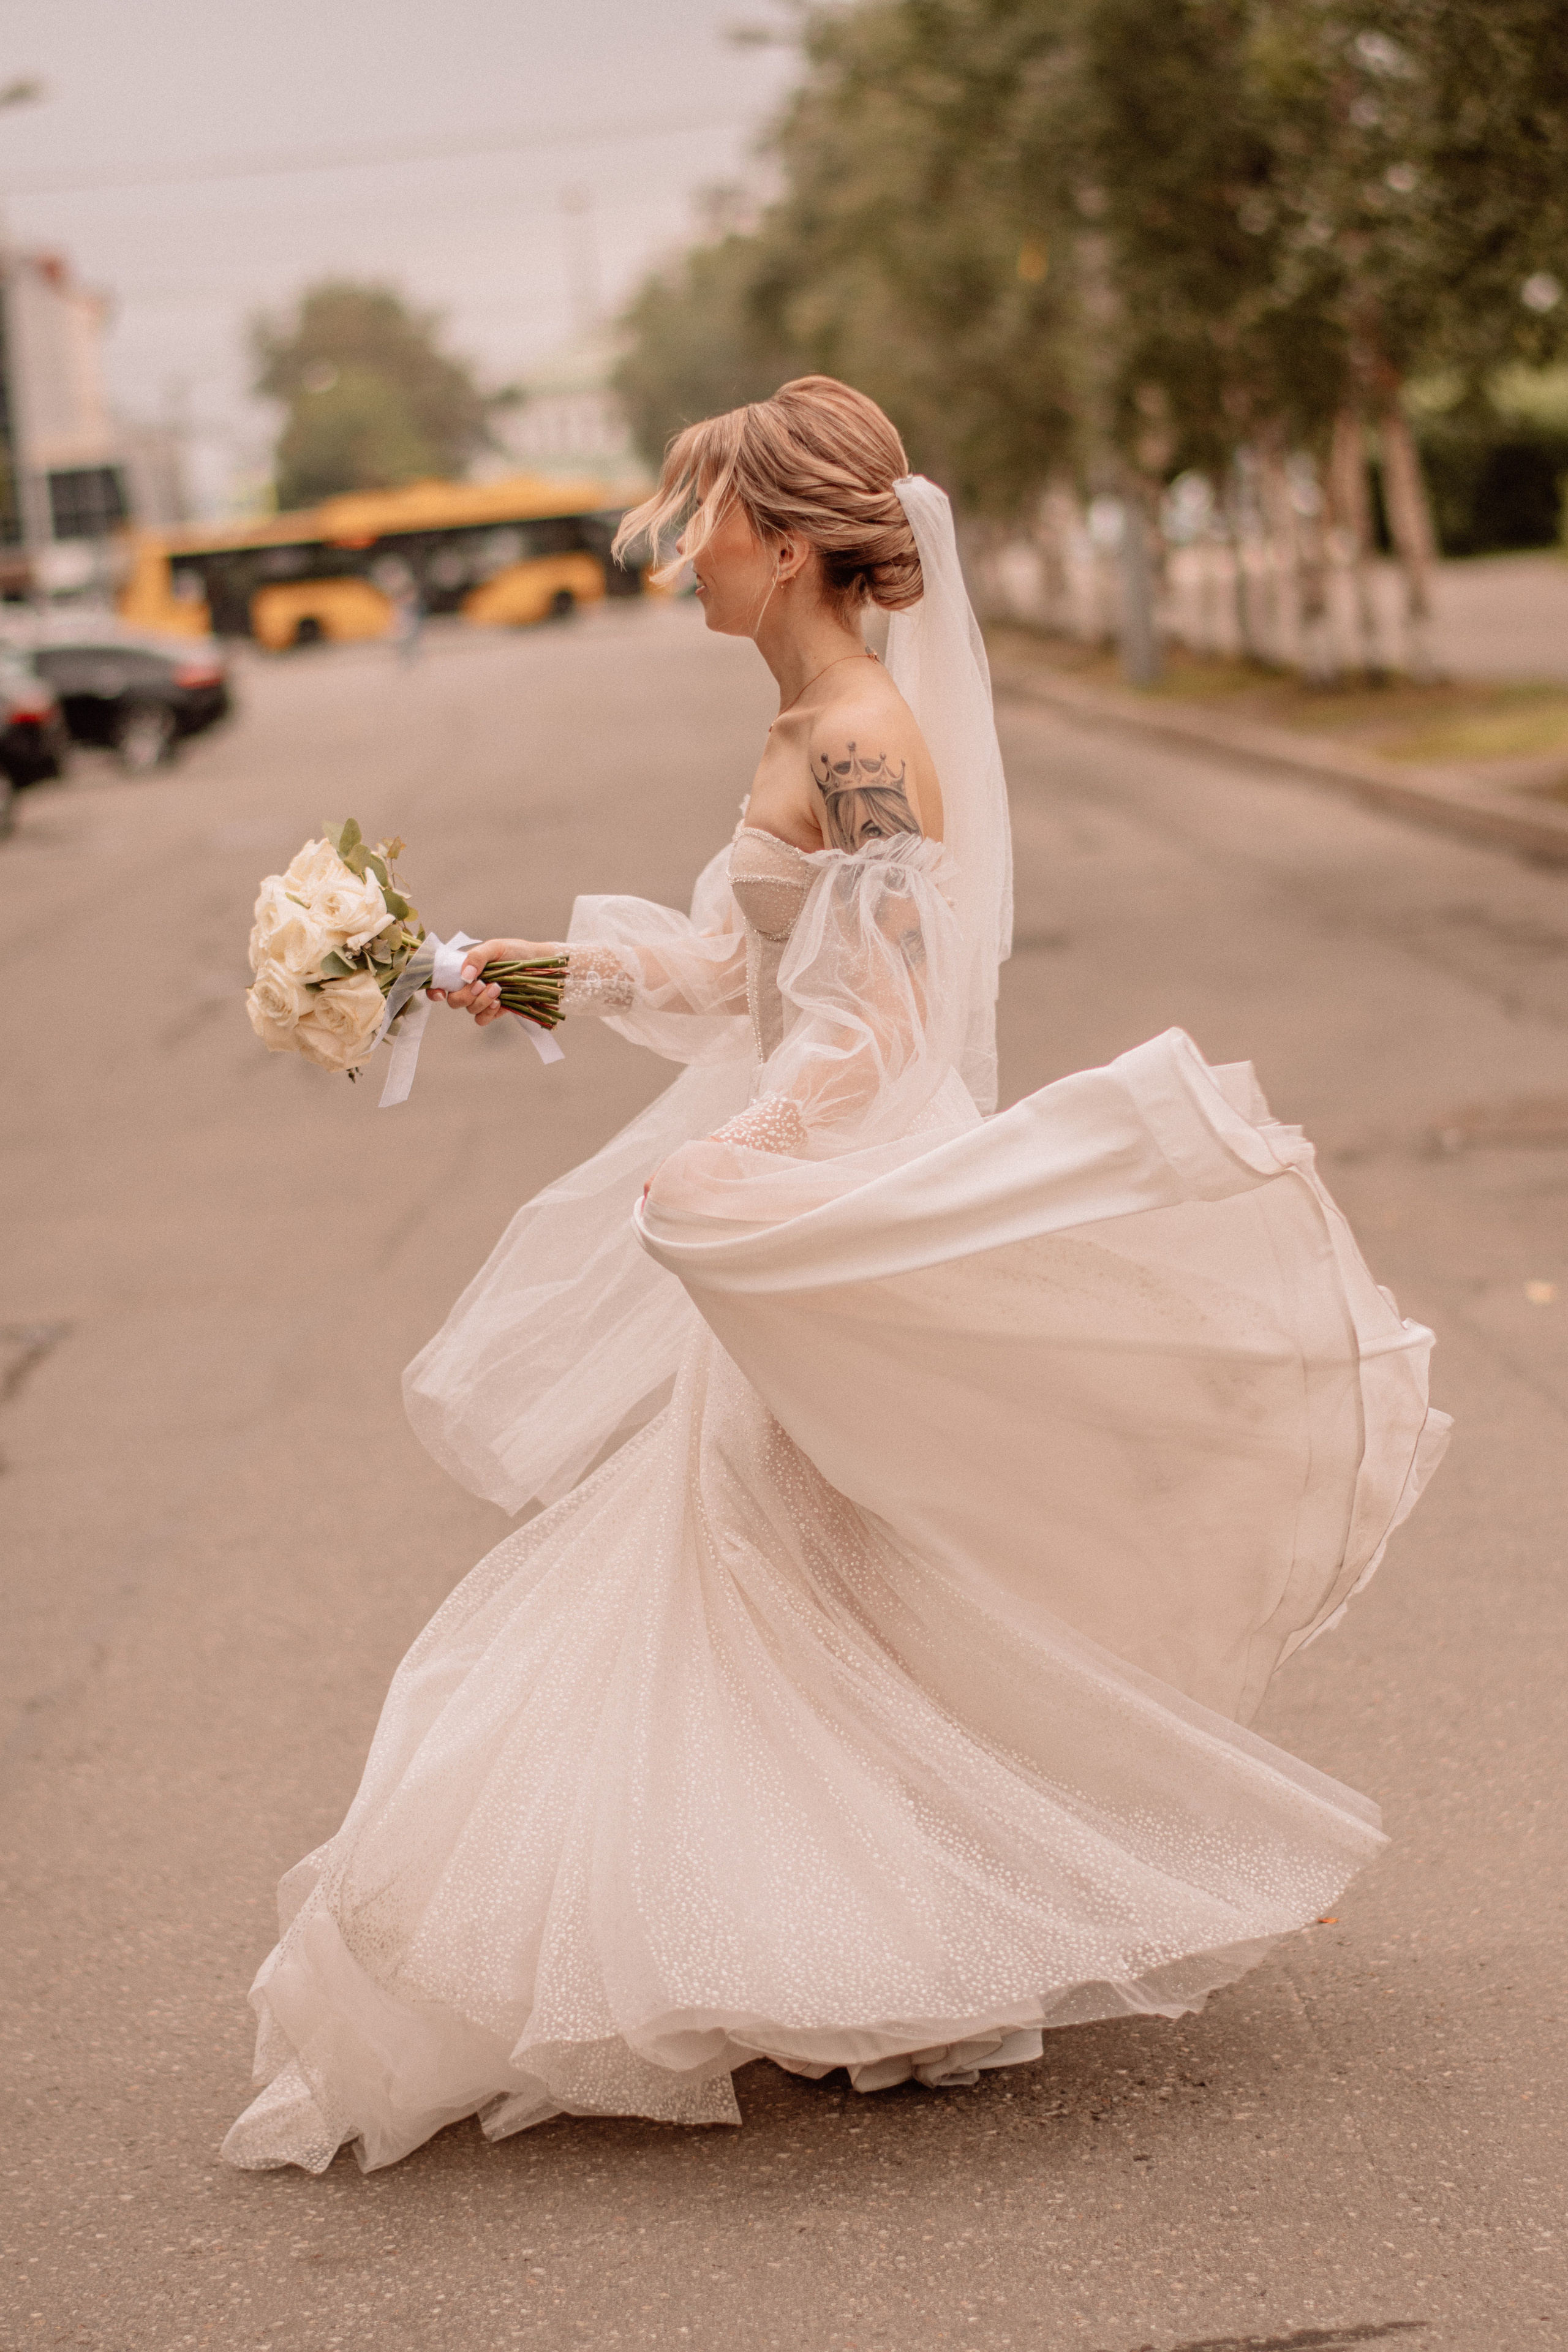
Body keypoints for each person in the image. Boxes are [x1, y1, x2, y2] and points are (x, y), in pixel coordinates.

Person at [224, 377, 1448, 2176]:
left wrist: (746, 1160)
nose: (677, 548)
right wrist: (491, 968)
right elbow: (738, 973)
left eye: (701, 517)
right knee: (813, 1578)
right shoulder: (809, 717)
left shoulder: (864, 729)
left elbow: (886, 1013)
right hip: (800, 1181)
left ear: (787, 544)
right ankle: (898, 1950)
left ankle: (906, 1953)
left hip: (841, 1191)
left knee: (788, 1566)